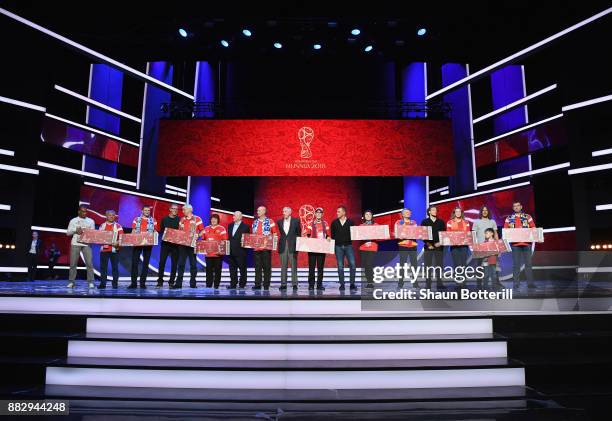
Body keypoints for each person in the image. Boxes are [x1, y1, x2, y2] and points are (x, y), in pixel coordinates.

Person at [504, 201, 536, 289]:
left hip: (527, 243)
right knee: (516, 264)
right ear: (513, 208)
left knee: (528, 264)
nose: (517, 207)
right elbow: (505, 230)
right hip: (515, 245)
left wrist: (536, 236)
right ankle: (516, 283)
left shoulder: (528, 217)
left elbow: (533, 228)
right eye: (515, 206)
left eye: (518, 205)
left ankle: (530, 283)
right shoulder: (509, 218)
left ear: (521, 207)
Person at [173, 204, 204, 289]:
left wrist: (198, 235)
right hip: (182, 245)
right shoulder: (182, 219)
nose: (183, 211)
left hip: (193, 245)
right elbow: (179, 231)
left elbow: (202, 230)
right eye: (182, 210)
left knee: (193, 264)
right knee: (181, 264)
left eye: (184, 210)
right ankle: (178, 284)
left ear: (189, 210)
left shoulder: (197, 219)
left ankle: (193, 284)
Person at [129, 205, 158, 289]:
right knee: (134, 263)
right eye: (145, 210)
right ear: (142, 211)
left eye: (148, 210)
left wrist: (155, 236)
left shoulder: (153, 220)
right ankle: (133, 283)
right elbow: (133, 230)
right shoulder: (136, 219)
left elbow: (155, 231)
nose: (147, 212)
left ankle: (142, 283)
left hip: (148, 244)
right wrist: (132, 238)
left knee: (145, 264)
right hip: (137, 243)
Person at [66, 205, 95, 288]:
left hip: (86, 244)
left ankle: (91, 282)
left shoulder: (91, 221)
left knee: (89, 263)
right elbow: (68, 233)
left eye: (86, 211)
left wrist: (88, 233)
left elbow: (92, 233)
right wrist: (75, 230)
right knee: (73, 264)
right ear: (79, 211)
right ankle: (71, 282)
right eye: (82, 211)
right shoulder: (73, 220)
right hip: (75, 243)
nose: (84, 213)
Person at [251, 206, 279, 291]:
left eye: (259, 210)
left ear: (264, 211)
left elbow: (275, 233)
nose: (257, 212)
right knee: (257, 267)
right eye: (257, 210)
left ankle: (266, 285)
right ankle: (257, 284)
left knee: (266, 267)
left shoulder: (270, 221)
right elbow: (252, 234)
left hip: (266, 248)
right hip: (256, 248)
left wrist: (273, 244)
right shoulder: (254, 222)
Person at [330, 205, 357, 291]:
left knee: (352, 264)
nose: (337, 213)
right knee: (340, 266)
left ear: (344, 212)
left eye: (339, 211)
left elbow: (354, 234)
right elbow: (333, 236)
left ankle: (352, 284)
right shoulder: (334, 223)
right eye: (337, 211)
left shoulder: (350, 222)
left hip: (348, 246)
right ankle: (342, 284)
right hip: (338, 247)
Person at [305, 207, 331, 291]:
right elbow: (308, 234)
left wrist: (328, 238)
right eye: (317, 213)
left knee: (320, 267)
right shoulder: (310, 223)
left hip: (321, 248)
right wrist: (306, 238)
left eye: (320, 213)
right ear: (315, 214)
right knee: (311, 267)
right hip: (312, 248)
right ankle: (311, 285)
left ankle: (319, 285)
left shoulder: (325, 223)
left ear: (322, 214)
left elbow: (328, 235)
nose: (319, 214)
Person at [421, 205, 446, 289]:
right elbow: (423, 235)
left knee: (439, 265)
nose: (435, 211)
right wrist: (429, 244)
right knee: (428, 266)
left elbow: (444, 234)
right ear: (429, 212)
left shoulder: (441, 222)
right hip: (428, 247)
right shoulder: (424, 222)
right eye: (433, 210)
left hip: (439, 247)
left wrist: (440, 242)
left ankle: (440, 283)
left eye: (436, 210)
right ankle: (428, 284)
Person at [97, 210, 123, 289]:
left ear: (115, 216)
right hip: (104, 250)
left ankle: (115, 284)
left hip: (114, 250)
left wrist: (118, 242)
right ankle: (103, 283)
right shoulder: (102, 226)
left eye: (113, 215)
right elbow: (98, 237)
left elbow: (122, 237)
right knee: (103, 267)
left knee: (115, 267)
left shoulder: (118, 226)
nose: (111, 217)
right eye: (109, 215)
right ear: (106, 216)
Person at [277, 207, 301, 292]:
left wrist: (297, 247)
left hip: (292, 246)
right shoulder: (279, 222)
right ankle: (283, 284)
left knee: (293, 265)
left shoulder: (296, 221)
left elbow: (299, 234)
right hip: (283, 246)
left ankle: (294, 284)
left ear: (290, 212)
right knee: (283, 266)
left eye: (285, 211)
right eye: (283, 211)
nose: (283, 213)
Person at [157, 203, 180, 289]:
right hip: (165, 245)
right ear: (170, 209)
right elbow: (162, 231)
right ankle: (160, 282)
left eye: (176, 209)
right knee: (162, 263)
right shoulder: (164, 219)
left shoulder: (179, 220)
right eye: (173, 208)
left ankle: (171, 282)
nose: (175, 210)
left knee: (174, 264)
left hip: (175, 246)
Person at [446, 207, 471, 283]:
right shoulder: (449, 222)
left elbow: (468, 233)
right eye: (456, 212)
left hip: (464, 246)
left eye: (459, 211)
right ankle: (458, 281)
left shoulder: (466, 222)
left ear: (461, 213)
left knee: (464, 263)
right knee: (456, 263)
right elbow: (448, 233)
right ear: (454, 213)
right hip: (454, 246)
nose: (458, 213)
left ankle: (463, 281)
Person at [395, 208, 419, 288]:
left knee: (414, 265)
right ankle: (400, 282)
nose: (408, 213)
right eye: (406, 212)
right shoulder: (398, 222)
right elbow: (397, 234)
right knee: (402, 265)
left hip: (413, 245)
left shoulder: (414, 222)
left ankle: (415, 282)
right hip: (403, 246)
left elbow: (416, 233)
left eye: (409, 212)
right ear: (402, 214)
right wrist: (402, 235)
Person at [203, 214, 228, 289]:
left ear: (218, 220)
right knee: (208, 270)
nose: (213, 220)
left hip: (218, 254)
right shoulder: (206, 228)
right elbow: (203, 240)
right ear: (210, 220)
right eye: (212, 219)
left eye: (215, 219)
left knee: (217, 270)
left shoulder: (222, 228)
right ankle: (208, 285)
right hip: (208, 254)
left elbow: (225, 241)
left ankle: (216, 285)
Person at [226, 211, 250, 289]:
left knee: (242, 268)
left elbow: (247, 239)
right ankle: (233, 283)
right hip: (231, 251)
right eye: (233, 216)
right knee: (232, 269)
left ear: (240, 217)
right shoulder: (230, 225)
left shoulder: (246, 226)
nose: (233, 217)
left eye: (234, 216)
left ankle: (242, 284)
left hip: (241, 252)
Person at [359, 210, 379, 288]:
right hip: (363, 247)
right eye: (366, 214)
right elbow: (358, 236)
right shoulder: (360, 226)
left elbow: (379, 236)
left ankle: (370, 282)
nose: (367, 215)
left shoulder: (376, 225)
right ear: (364, 216)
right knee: (366, 265)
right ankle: (369, 281)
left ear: (372, 216)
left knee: (369, 264)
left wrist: (371, 240)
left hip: (372, 247)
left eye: (369, 214)